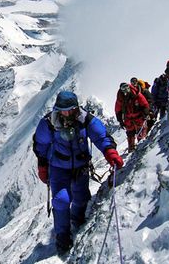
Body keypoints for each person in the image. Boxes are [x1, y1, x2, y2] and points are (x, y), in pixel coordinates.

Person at [32, 91, 123, 253]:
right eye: (62, 110)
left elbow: (100, 136)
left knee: (81, 198)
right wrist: (43, 166)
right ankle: (63, 236)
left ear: (76, 108)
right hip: (59, 168)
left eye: (70, 109)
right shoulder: (48, 124)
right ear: (57, 109)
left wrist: (110, 151)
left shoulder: (84, 120)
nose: (66, 113)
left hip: (80, 167)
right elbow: (41, 145)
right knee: (61, 200)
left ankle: (77, 218)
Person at [115, 82, 150, 152]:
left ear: (129, 87)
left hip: (139, 116)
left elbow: (145, 104)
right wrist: (120, 121)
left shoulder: (136, 94)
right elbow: (118, 110)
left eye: (126, 87)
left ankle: (142, 146)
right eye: (123, 88)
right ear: (121, 90)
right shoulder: (120, 98)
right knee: (130, 134)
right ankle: (131, 149)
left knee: (141, 132)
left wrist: (145, 113)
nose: (125, 89)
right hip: (128, 118)